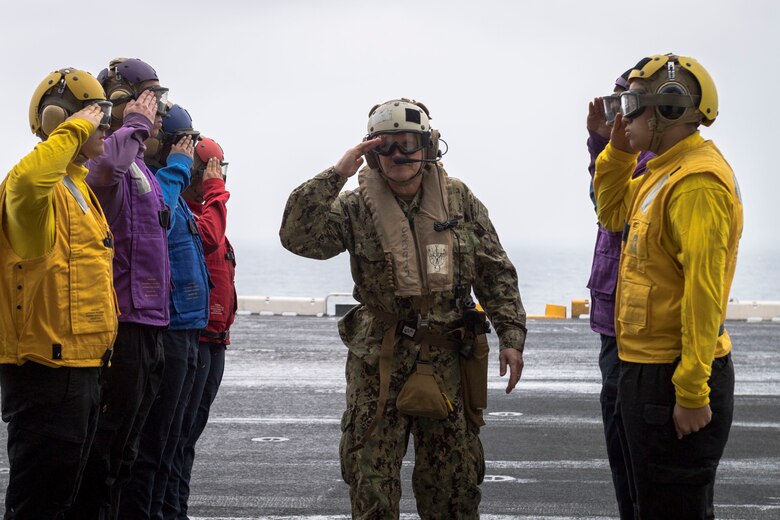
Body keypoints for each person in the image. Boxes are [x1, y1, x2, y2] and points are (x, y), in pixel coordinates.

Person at [280, 98, 527, 519]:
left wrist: (511, 336)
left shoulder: (458, 200)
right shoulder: (356, 206)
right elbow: (298, 236)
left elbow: (494, 269)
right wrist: (337, 173)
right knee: (370, 479)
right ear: (370, 153)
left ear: (429, 146)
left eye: (407, 144)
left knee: (454, 483)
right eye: (385, 146)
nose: (397, 155)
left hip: (450, 358)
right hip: (379, 360)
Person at [593, 54, 743, 519]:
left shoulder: (696, 183)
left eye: (633, 105)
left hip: (673, 374)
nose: (622, 116)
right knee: (649, 506)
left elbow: (705, 293)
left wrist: (693, 392)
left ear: (672, 110)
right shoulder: (661, 171)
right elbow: (612, 214)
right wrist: (617, 153)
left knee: (675, 508)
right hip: (644, 370)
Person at [0, 68, 118, 518]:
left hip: (83, 366)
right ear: (59, 120)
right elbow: (30, 182)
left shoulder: (78, 189)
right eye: (95, 115)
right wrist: (77, 127)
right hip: (46, 372)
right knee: (39, 504)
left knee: (71, 499)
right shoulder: (33, 190)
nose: (104, 127)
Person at [68, 58, 176, 520]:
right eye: (149, 98)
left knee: (127, 452)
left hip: (151, 321)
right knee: (105, 451)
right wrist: (131, 120)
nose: (157, 111)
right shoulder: (108, 155)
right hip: (122, 324)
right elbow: (105, 168)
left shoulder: (141, 169)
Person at [119, 104, 210, 520]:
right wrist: (176, 168)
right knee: (152, 447)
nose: (189, 154)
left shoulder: (168, 185)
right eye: (183, 143)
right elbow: (160, 221)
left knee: (173, 441)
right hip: (167, 328)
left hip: (188, 329)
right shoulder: (153, 184)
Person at [585, 70, 653, 520]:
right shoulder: (620, 152)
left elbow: (619, 212)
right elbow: (603, 202)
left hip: (644, 329)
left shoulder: (658, 159)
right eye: (617, 103)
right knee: (620, 447)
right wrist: (600, 145)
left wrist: (612, 149)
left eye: (628, 104)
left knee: (651, 462)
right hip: (616, 325)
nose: (619, 114)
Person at [167, 137, 235, 520]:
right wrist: (215, 194)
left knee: (188, 436)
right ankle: (170, 509)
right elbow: (206, 239)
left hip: (215, 339)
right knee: (176, 436)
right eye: (212, 170)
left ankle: (178, 508)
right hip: (195, 337)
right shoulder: (191, 215)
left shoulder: (211, 213)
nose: (218, 178)